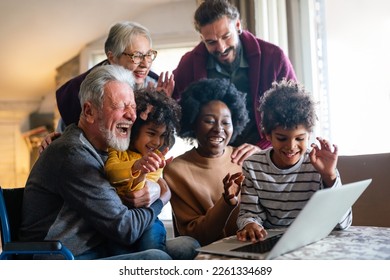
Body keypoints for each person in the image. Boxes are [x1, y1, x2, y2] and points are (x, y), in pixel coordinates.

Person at [19, 65, 199, 260]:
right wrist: (162, 199)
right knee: (156, 260)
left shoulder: (110, 148)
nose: (132, 116)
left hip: (99, 249)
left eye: (132, 107)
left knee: (189, 246)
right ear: (89, 111)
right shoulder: (72, 153)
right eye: (121, 106)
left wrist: (158, 186)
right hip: (59, 260)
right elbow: (126, 228)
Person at [171, 0, 297, 164]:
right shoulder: (189, 63)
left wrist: (264, 147)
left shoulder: (273, 57)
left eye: (226, 36)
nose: (221, 48)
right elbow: (175, 109)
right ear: (202, 38)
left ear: (237, 26)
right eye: (211, 42)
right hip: (215, 157)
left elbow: (294, 112)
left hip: (267, 152)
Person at [236, 79, 352, 243]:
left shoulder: (319, 165)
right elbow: (248, 213)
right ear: (268, 135)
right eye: (282, 138)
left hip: (313, 242)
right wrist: (250, 224)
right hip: (272, 242)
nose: (291, 146)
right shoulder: (253, 166)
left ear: (309, 135)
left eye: (300, 138)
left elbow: (343, 224)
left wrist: (329, 176)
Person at [163, 78, 248, 246]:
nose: (218, 129)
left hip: (252, 245)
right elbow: (195, 237)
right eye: (209, 121)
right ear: (193, 122)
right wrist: (226, 202)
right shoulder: (176, 170)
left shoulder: (244, 158)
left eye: (226, 122)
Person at [56, 21, 174, 130]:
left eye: (148, 55)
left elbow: (163, 140)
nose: (145, 64)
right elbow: (65, 135)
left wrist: (162, 107)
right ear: (112, 57)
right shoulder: (80, 89)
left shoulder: (156, 87)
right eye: (137, 55)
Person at [104, 88, 181, 252]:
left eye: (162, 135)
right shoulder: (117, 150)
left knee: (153, 249)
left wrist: (143, 173)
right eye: (151, 133)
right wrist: (136, 166)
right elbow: (111, 172)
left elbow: (139, 195)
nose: (157, 142)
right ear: (135, 128)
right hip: (120, 222)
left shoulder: (156, 160)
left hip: (149, 221)